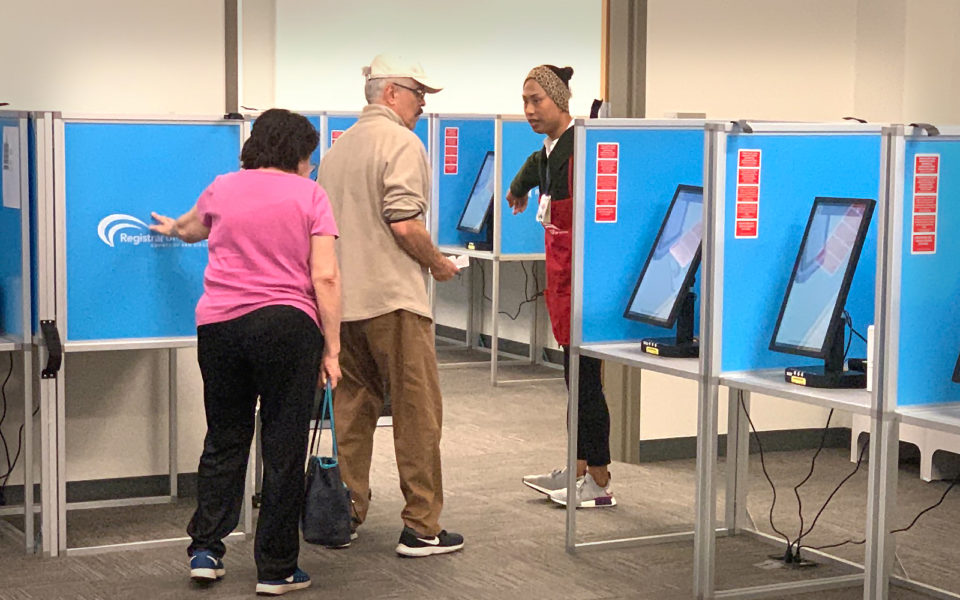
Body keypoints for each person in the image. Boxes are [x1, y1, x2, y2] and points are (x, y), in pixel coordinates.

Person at [150, 108, 341, 596]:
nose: (311, 166)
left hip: (221, 326)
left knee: (225, 437)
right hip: (288, 326)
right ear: (298, 154)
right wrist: (333, 349)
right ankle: (276, 569)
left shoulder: (223, 187)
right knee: (283, 446)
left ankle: (206, 549)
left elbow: (194, 229)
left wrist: (171, 229)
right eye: (309, 157)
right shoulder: (311, 195)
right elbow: (325, 276)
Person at [317, 54, 464, 557]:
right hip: (394, 302)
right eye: (418, 94)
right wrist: (439, 264)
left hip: (345, 306)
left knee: (353, 411)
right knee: (417, 412)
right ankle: (422, 526)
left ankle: (346, 513)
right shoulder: (402, 142)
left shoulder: (337, 150)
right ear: (391, 94)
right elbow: (403, 221)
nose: (423, 105)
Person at [506, 65, 615, 509]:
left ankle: (601, 476)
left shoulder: (583, 146)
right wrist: (518, 189)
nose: (530, 109)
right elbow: (536, 164)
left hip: (582, 279)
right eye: (525, 101)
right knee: (573, 376)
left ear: (561, 101)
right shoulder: (551, 150)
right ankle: (577, 466)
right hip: (560, 274)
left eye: (538, 100)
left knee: (586, 379)